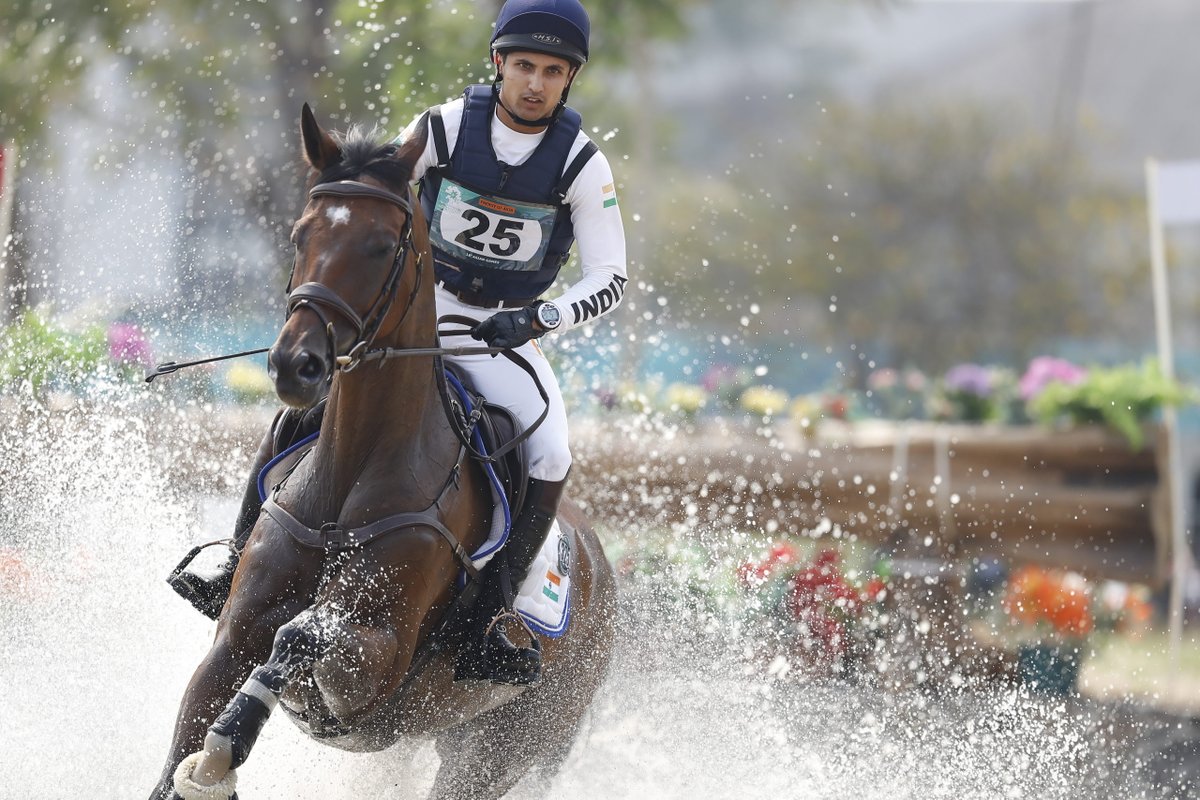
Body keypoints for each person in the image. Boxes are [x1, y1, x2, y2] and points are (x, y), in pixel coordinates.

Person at [169, 0, 627, 688]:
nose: (536, 82)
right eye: (525, 65)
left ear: (570, 80)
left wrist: (540, 319)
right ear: (499, 63)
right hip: (413, 315)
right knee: (306, 408)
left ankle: (493, 618)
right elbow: (371, 199)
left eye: (553, 71)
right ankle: (235, 560)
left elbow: (611, 277)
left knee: (552, 450)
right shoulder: (442, 127)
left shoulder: (581, 163)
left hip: (502, 332)